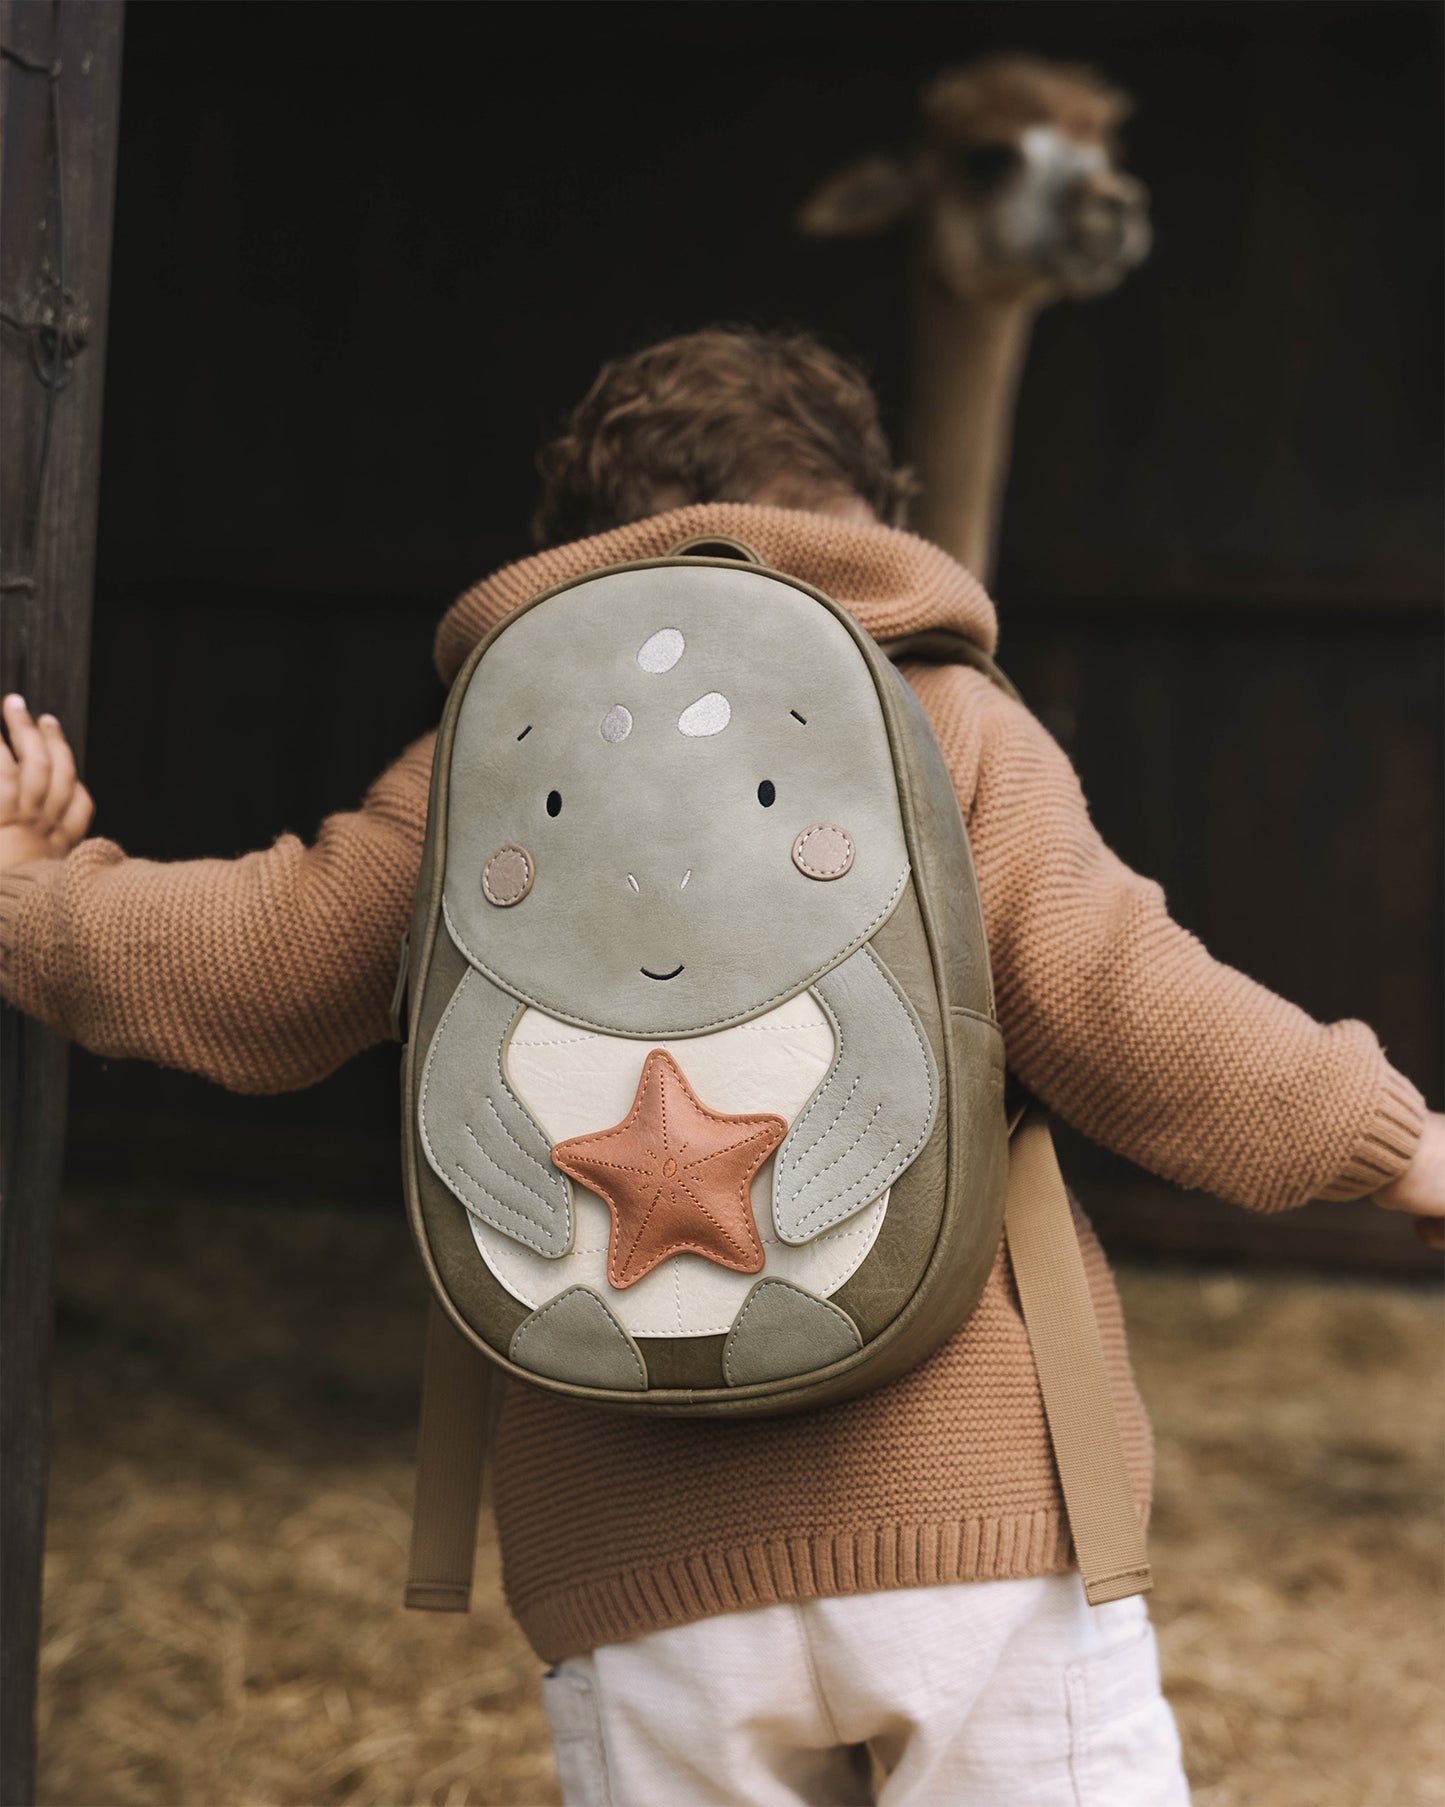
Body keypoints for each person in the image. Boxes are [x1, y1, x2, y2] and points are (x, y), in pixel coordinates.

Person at [2, 326, 1440, 1807]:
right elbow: (1132, 1008)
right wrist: (1395, 1148)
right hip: (977, 1529)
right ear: (864, 522)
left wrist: (28, 897)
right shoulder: (943, 721)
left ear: (579, 553)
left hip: (639, 1572)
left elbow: (255, 969)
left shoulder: (487, 762)